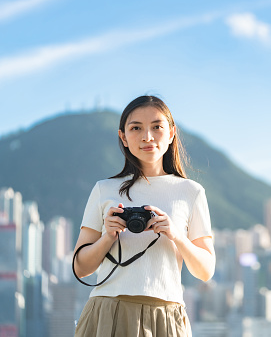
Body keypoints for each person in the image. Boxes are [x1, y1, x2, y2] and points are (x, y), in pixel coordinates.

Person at [73, 95, 215, 337]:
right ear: (123, 137)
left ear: (171, 134)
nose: (147, 137)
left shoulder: (191, 192)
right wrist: (108, 236)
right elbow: (81, 268)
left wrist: (175, 235)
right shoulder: (104, 189)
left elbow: (205, 271)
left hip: (165, 315)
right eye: (136, 128)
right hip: (108, 311)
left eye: (157, 127)